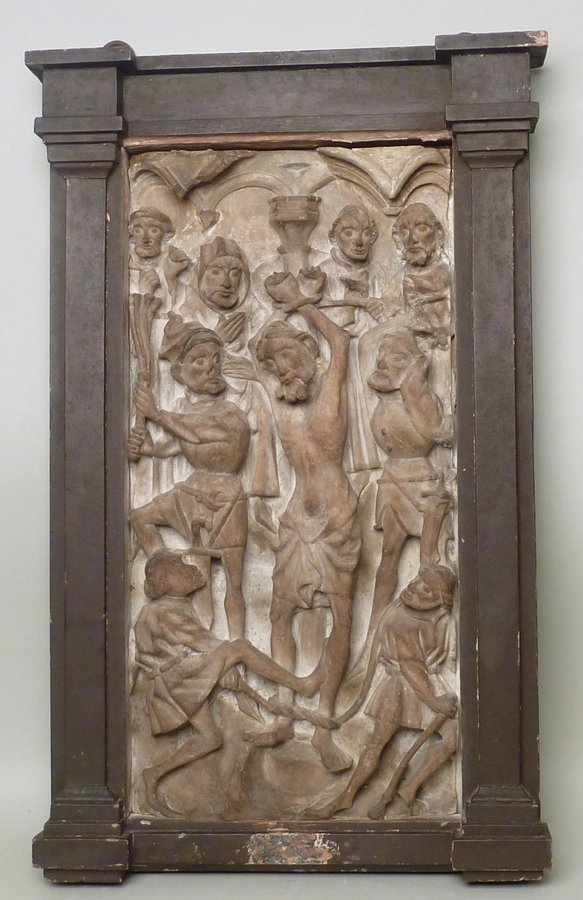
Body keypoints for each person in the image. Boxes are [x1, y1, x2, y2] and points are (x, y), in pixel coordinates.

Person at [249, 267, 361, 772]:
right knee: (280, 613)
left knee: (341, 617)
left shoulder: (331, 385)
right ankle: (283, 712)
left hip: (336, 519)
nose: (282, 367)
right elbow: (247, 355)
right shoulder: (280, 403)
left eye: (289, 355)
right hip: (296, 520)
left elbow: (341, 340)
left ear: (309, 353)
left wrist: (299, 303)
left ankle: (325, 722)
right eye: (274, 362)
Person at [134, 549, 321, 817]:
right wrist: (225, 664)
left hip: (177, 682)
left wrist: (219, 667)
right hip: (177, 682)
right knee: (241, 648)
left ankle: (154, 774)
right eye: (178, 567)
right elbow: (204, 643)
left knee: (211, 739)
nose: (187, 569)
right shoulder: (162, 610)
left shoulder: (169, 607)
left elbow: (191, 646)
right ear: (165, 583)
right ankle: (302, 685)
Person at [128, 317, 251, 640]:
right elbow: (169, 447)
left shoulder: (230, 412)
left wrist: (158, 415)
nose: (210, 367)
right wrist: (144, 446)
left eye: (215, 360)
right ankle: (166, 572)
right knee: (141, 518)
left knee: (233, 582)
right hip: (192, 492)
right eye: (199, 361)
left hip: (225, 496)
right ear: (179, 371)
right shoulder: (184, 410)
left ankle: (237, 643)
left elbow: (199, 434)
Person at [308, 563, 457, 819]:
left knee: (452, 739)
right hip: (402, 687)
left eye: (425, 588)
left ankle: (408, 790)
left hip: (429, 682)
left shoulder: (438, 617)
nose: (414, 587)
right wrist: (435, 702)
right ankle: (346, 797)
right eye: (417, 580)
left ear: (438, 600)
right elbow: (409, 666)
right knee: (376, 745)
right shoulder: (402, 620)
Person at [359, 328, 453, 642]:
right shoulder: (383, 395)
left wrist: (413, 388)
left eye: (397, 357)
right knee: (388, 554)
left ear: (414, 363)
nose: (384, 362)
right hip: (392, 480)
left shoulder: (419, 396)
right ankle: (375, 627)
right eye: (383, 355)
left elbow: (436, 431)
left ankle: (427, 631)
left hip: (420, 482)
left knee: (431, 559)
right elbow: (364, 344)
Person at [392, 202, 451, 345]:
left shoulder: (448, 273)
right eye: (404, 232)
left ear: (438, 233)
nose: (412, 239)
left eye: (422, 228)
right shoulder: (398, 277)